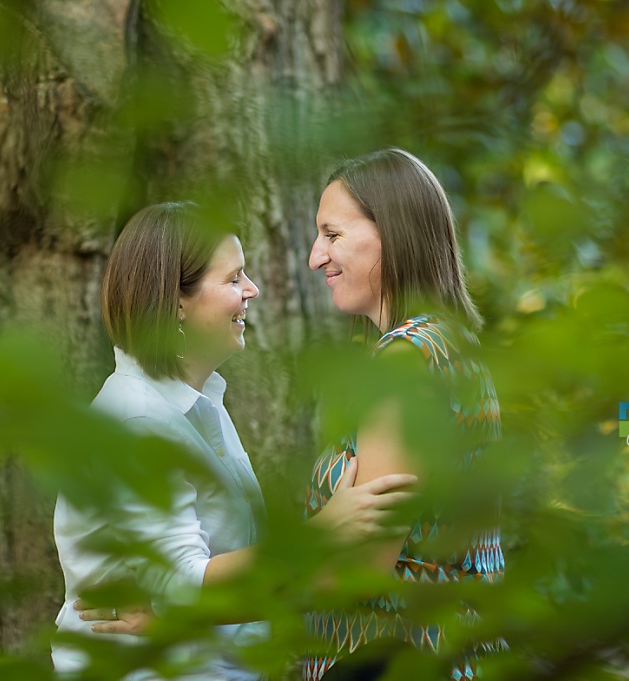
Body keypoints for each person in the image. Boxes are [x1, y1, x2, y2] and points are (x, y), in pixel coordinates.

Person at [53, 201, 415, 681]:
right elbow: (183, 585)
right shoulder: (138, 420)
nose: (252, 289)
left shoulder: (198, 405)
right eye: (233, 278)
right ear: (176, 302)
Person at [303, 148, 504, 681]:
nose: (316, 257)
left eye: (332, 234)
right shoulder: (449, 346)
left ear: (392, 232)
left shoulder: (406, 359)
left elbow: (363, 571)